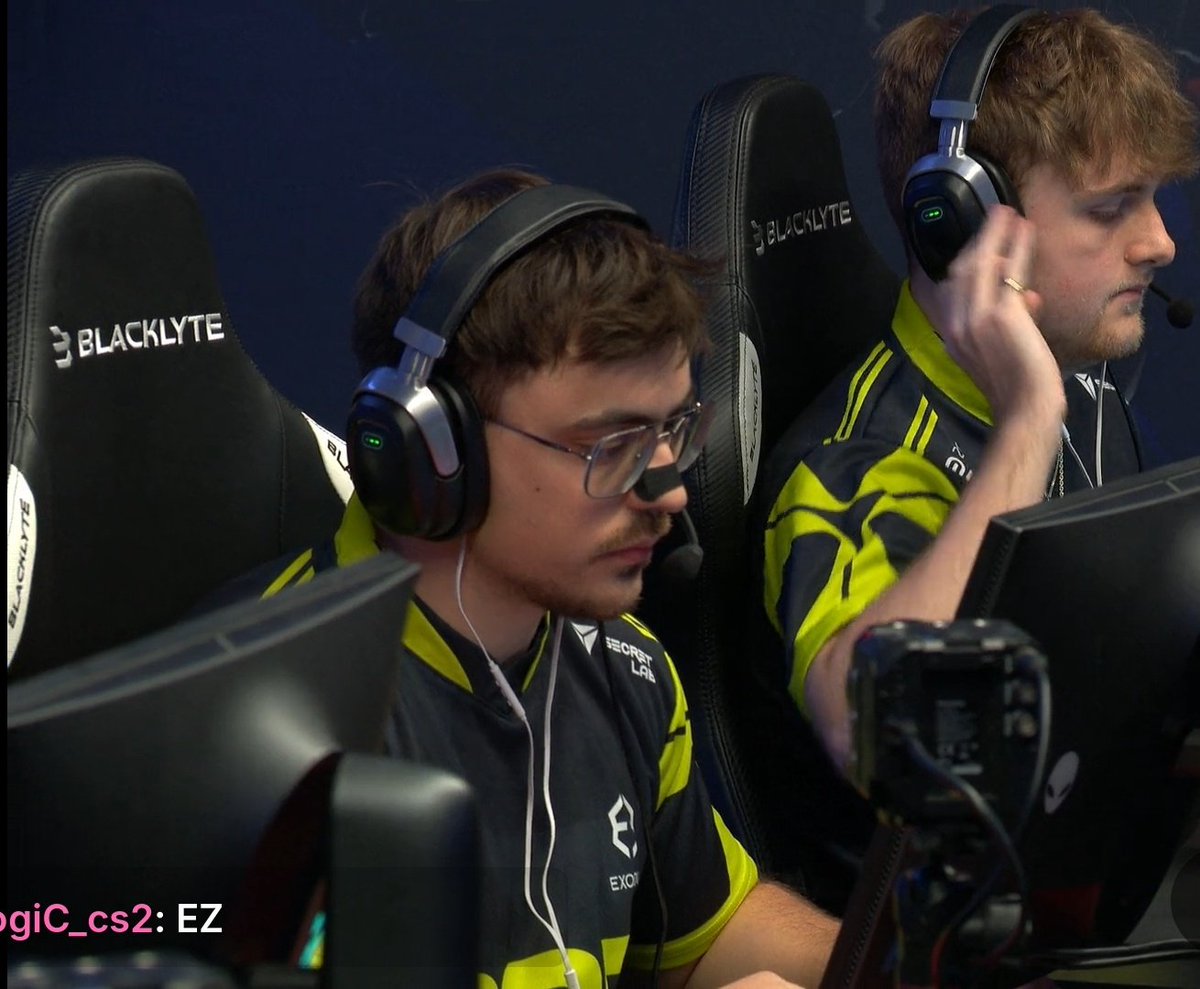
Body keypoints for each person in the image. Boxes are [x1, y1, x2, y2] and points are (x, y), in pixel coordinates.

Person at [253, 168, 838, 988]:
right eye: (611, 446)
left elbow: (713, 935)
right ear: (435, 449)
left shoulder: (623, 665)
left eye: (673, 428)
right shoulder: (281, 733)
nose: (669, 491)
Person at [756, 7, 1198, 773]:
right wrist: (1029, 423)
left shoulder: (1085, 391)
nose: (1160, 242)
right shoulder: (857, 467)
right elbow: (872, 727)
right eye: (1109, 208)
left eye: (1155, 198)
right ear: (961, 220)